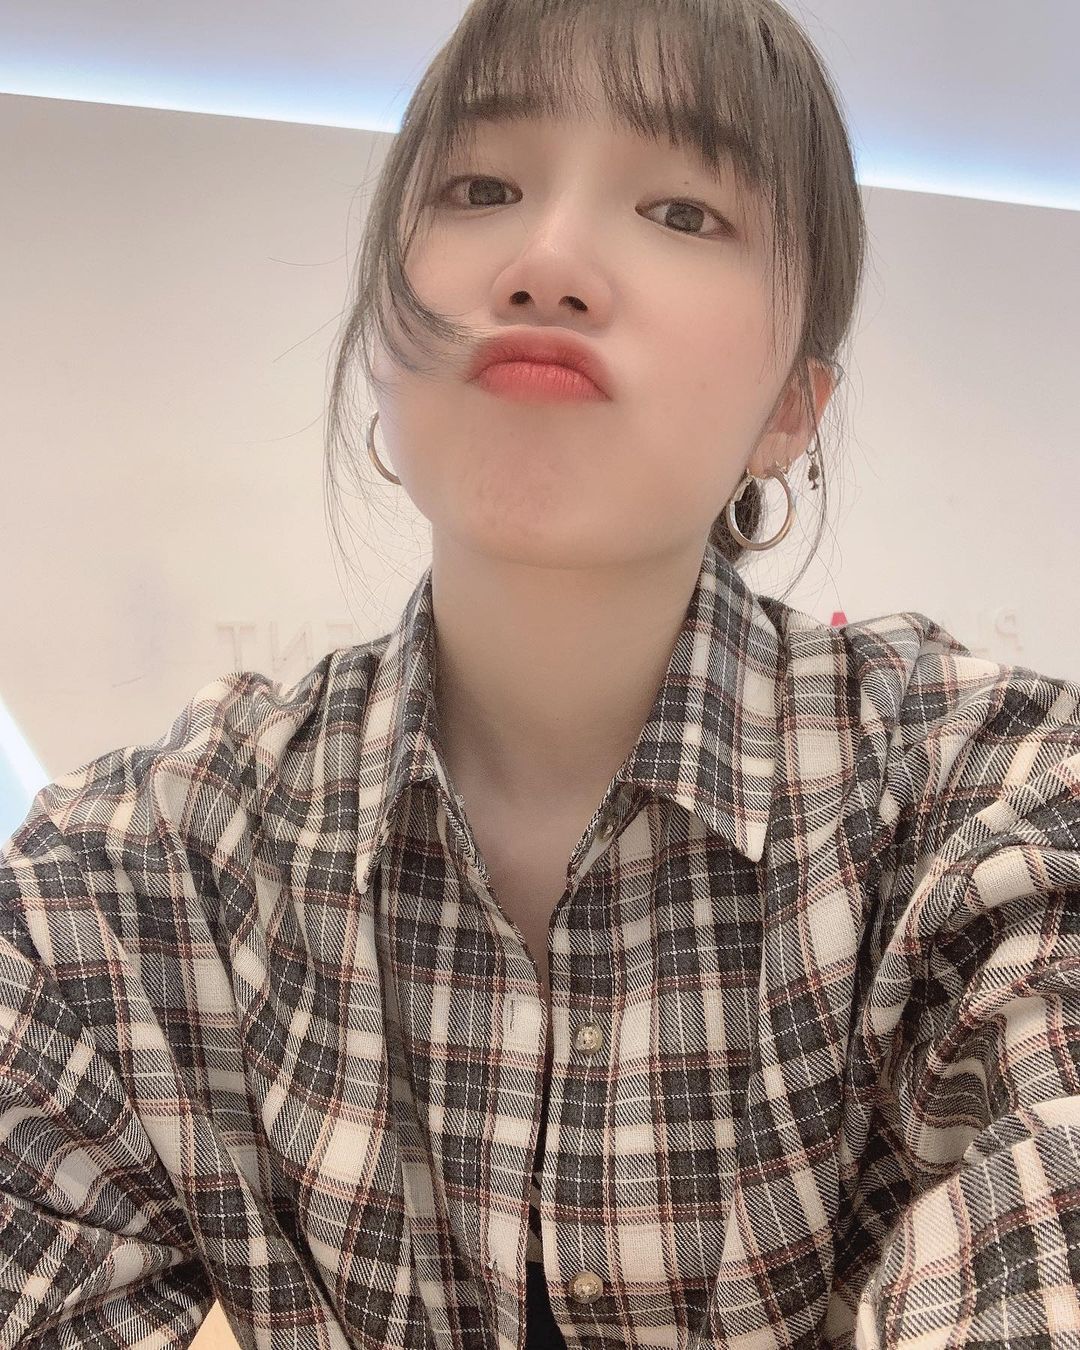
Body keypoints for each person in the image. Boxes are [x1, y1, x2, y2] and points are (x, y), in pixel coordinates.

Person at [2, 0, 1079, 1345]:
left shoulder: (990, 806)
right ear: (383, 342)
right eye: (481, 188)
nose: (549, 262)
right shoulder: (123, 883)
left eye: (683, 210)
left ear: (791, 408)